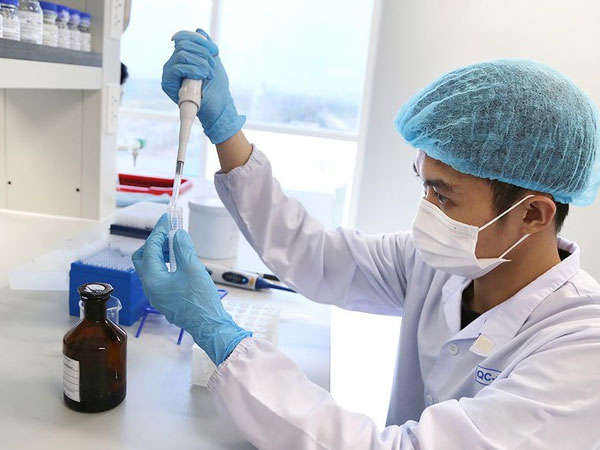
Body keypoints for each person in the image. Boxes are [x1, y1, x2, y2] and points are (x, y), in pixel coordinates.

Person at [132, 29, 600, 449]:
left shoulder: (580, 353)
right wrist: (225, 130)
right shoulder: (444, 264)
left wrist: (222, 339)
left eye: (443, 195)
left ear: (533, 214)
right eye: (424, 186)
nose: (426, 211)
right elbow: (316, 255)